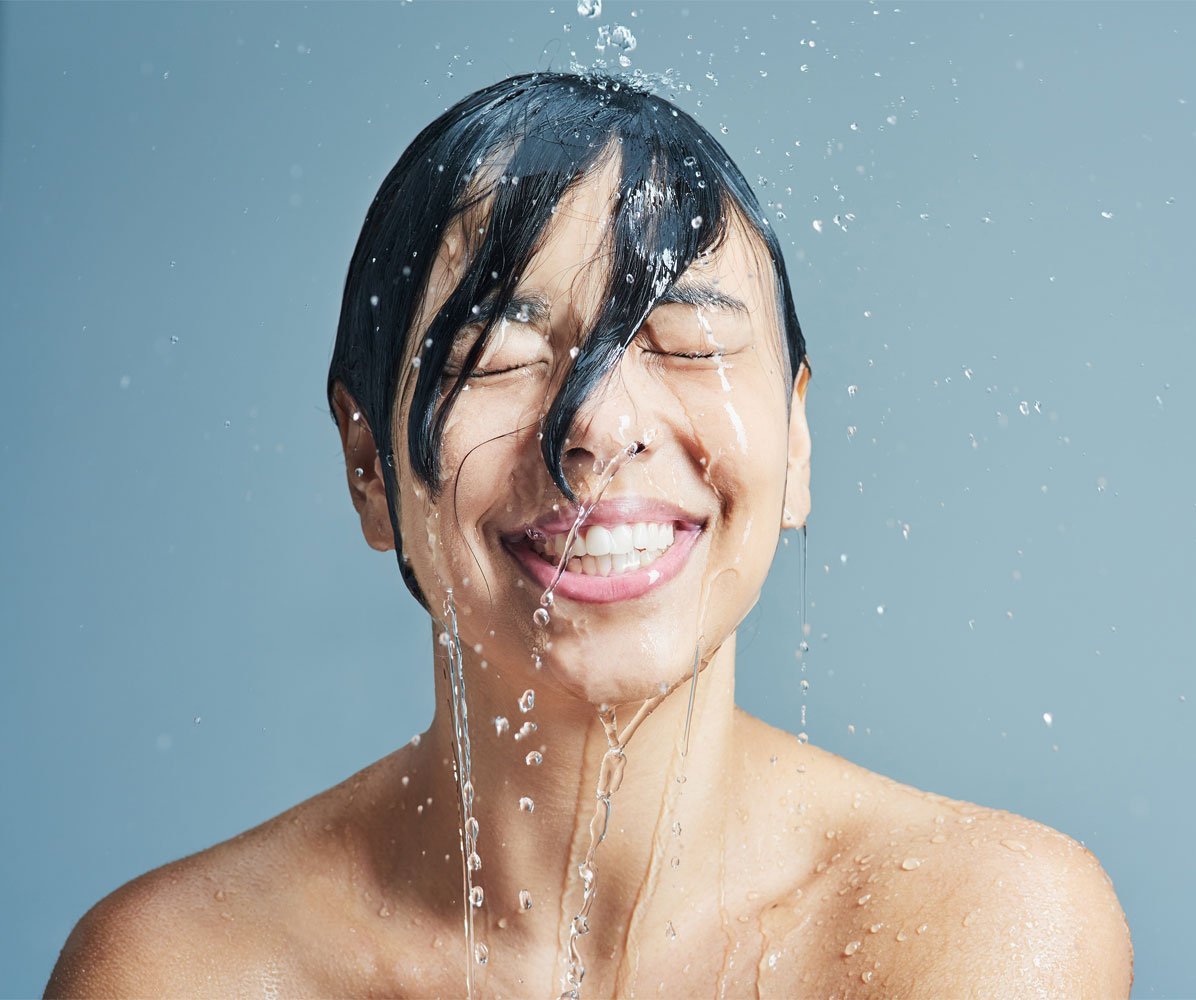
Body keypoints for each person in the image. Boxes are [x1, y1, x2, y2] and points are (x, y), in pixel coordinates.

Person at [45, 71, 1132, 998]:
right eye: (499, 351)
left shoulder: (978, 929)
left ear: (796, 441)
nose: (600, 428)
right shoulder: (185, 969)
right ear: (368, 462)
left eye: (690, 337)